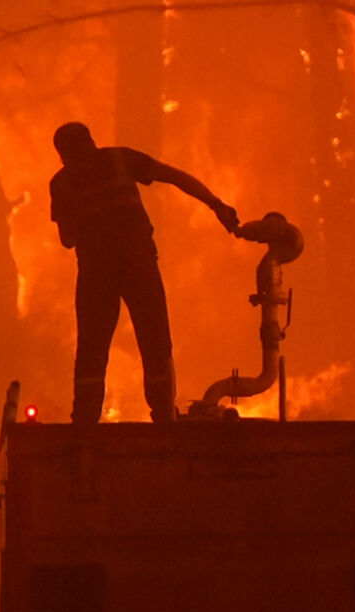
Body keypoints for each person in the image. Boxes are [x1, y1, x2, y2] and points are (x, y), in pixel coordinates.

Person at [48, 120, 237, 424]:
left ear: (62, 154)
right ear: (91, 140)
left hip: (96, 275)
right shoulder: (120, 159)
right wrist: (215, 204)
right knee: (155, 341)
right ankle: (163, 415)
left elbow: (67, 239)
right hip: (139, 266)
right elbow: (174, 176)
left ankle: (84, 422)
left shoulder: (62, 182)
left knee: (91, 350)